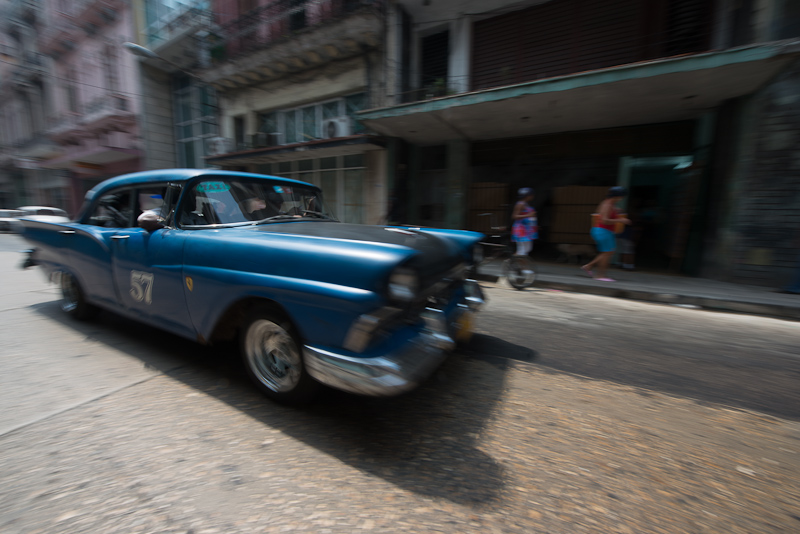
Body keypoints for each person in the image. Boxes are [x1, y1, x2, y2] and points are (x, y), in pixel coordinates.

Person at [582, 186, 630, 282]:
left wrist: (617, 213)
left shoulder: (610, 204)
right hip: (603, 230)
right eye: (622, 196)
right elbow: (604, 220)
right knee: (607, 253)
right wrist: (621, 220)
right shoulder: (607, 205)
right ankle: (600, 275)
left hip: (604, 231)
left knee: (608, 252)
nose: (622, 198)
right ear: (618, 196)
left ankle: (589, 266)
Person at [511, 187, 537, 257]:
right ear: (528, 196)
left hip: (527, 229)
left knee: (527, 249)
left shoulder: (525, 204)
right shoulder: (520, 204)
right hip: (522, 230)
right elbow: (514, 216)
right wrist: (528, 215)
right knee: (522, 250)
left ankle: (515, 262)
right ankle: (522, 266)